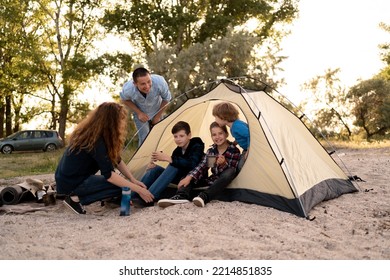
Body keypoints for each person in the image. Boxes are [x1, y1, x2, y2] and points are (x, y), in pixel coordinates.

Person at [55, 102, 154, 214]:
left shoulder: (97, 134)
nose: (123, 122)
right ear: (111, 121)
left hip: (66, 180)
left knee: (125, 184)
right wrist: (139, 190)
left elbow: (117, 159)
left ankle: (109, 198)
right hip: (72, 183)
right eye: (121, 119)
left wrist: (133, 179)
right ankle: (75, 199)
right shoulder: (97, 141)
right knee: (123, 187)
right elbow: (109, 176)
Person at [157, 122, 241, 208]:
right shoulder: (211, 151)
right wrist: (189, 177)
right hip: (211, 181)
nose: (217, 137)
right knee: (189, 175)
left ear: (226, 134)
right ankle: (181, 195)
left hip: (223, 182)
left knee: (231, 171)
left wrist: (223, 164)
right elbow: (203, 167)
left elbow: (230, 174)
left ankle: (204, 196)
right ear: (211, 137)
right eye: (214, 135)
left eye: (220, 133)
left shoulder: (233, 151)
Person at [133, 121, 205, 207]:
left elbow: (192, 164)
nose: (178, 139)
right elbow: (173, 169)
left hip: (194, 178)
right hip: (180, 177)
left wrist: (168, 158)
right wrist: (153, 165)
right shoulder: (177, 150)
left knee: (173, 165)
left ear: (189, 135)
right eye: (175, 136)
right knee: (155, 169)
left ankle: (150, 197)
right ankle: (133, 195)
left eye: (181, 136)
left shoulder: (197, 144)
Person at [120, 67, 172, 146]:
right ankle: (143, 158)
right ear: (135, 84)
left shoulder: (160, 82)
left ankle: (160, 157)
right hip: (140, 114)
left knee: (160, 137)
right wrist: (139, 113)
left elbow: (167, 99)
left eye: (149, 81)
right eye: (143, 84)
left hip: (157, 110)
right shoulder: (128, 89)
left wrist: (157, 116)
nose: (147, 86)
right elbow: (124, 100)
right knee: (145, 138)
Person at [212, 102, 249, 172]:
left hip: (249, 149)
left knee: (241, 166)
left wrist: (250, 149)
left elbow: (249, 135)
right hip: (246, 148)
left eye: (215, 117)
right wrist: (235, 143)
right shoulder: (233, 126)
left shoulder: (236, 126)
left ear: (222, 117)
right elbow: (241, 137)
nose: (215, 120)